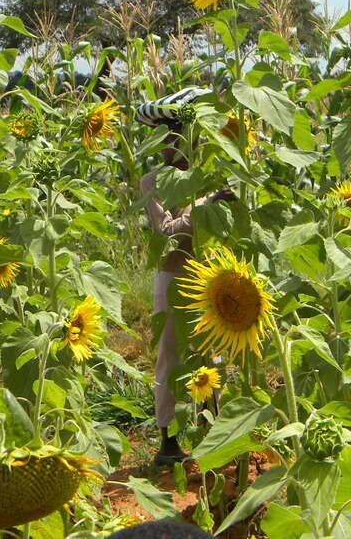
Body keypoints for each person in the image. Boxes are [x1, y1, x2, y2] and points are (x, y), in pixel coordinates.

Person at [137, 87, 233, 466]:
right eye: (165, 138)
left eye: (177, 137)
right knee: (171, 358)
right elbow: (167, 231)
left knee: (213, 358)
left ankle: (214, 432)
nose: (171, 146)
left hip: (208, 278)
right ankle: (169, 442)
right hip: (173, 279)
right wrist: (207, 206)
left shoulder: (204, 175)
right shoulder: (153, 182)